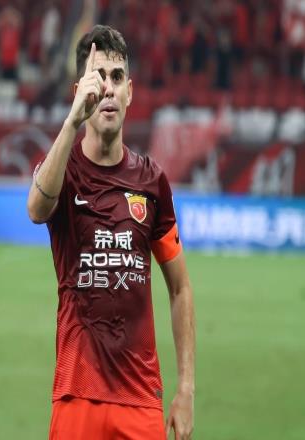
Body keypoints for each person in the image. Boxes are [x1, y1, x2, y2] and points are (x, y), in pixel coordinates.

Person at [27, 25, 195, 440]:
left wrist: (186, 389)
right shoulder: (62, 170)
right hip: (76, 394)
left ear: (129, 92)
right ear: (79, 90)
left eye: (117, 77)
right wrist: (72, 121)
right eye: (97, 77)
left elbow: (180, 288)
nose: (107, 88)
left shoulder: (151, 181)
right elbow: (36, 209)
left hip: (140, 400)